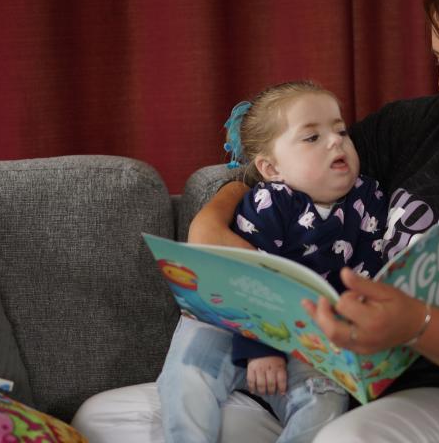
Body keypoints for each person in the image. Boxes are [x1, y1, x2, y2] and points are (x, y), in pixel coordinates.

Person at [72, 0, 439, 443]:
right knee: (109, 419)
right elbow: (289, 172)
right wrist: (210, 225)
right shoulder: (418, 125)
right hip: (334, 383)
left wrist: (418, 327)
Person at [158, 80, 387, 443]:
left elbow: (366, 274)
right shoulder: (269, 202)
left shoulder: (369, 198)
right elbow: (251, 280)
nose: (335, 141)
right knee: (188, 376)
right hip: (232, 315)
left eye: (341, 130)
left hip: (305, 333)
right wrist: (261, 348)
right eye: (312, 138)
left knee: (327, 401)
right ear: (270, 167)